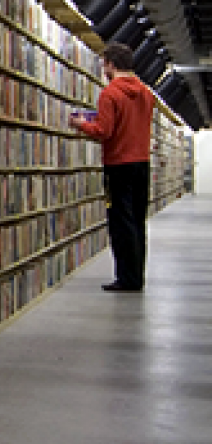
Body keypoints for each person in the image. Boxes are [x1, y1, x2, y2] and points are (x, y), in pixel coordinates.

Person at [68, 42, 155, 292]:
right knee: (137, 221)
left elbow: (104, 131)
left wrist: (81, 124)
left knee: (119, 221)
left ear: (111, 64)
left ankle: (126, 278)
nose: (103, 70)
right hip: (142, 163)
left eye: (104, 64)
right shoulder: (146, 93)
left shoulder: (110, 93)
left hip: (118, 165)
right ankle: (136, 276)